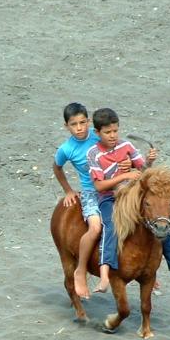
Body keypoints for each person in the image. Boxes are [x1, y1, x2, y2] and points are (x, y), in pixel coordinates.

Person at [87, 107, 170, 293]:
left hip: (132, 195)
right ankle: (105, 273)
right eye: (107, 132)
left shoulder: (127, 146)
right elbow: (99, 186)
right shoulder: (93, 153)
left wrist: (149, 161)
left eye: (115, 131)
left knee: (160, 221)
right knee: (111, 227)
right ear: (97, 133)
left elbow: (143, 171)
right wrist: (124, 176)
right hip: (109, 198)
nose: (113, 135)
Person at [52, 103, 103, 299]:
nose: (80, 128)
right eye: (74, 124)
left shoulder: (98, 136)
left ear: (89, 122)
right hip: (91, 192)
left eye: (83, 122)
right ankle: (81, 270)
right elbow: (57, 167)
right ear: (67, 126)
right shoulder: (67, 149)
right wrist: (68, 190)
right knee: (95, 228)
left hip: (111, 187)